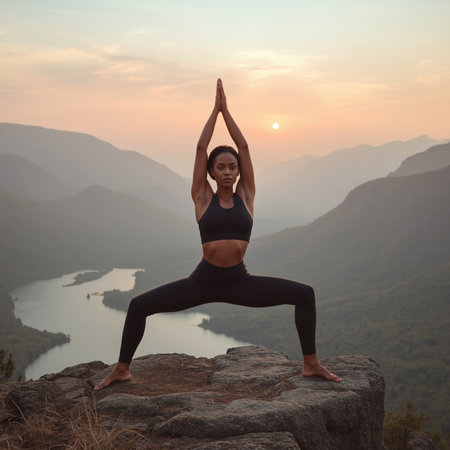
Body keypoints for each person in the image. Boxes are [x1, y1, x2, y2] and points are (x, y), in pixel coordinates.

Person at [94, 79, 341, 391]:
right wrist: (215, 111)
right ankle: (121, 369)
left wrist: (229, 112)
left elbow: (245, 147)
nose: (227, 171)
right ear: (211, 172)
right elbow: (200, 148)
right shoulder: (202, 198)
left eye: (232, 167)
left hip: (240, 282)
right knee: (139, 305)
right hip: (203, 281)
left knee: (304, 294)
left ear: (238, 172)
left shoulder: (247, 196)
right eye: (220, 167)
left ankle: (310, 363)